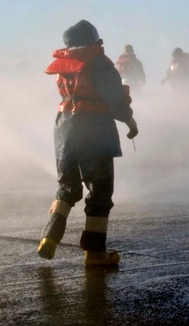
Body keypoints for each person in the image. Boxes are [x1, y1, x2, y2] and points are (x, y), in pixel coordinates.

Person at [38, 20, 138, 267]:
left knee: (67, 189)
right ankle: (94, 253)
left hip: (65, 129)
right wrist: (130, 121)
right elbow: (114, 100)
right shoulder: (100, 63)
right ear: (94, 40)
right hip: (95, 131)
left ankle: (48, 238)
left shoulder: (64, 65)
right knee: (99, 193)